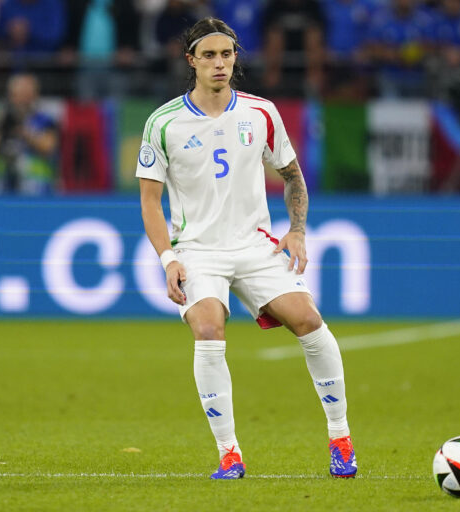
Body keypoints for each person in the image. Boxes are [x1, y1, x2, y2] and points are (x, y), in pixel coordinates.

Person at [136, 17, 356, 480]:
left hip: (255, 246)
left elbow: (292, 175)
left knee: (309, 321)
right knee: (209, 329)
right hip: (197, 250)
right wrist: (168, 258)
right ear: (190, 60)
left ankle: (341, 439)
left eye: (227, 54)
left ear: (236, 58)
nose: (219, 63)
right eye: (209, 55)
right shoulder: (163, 122)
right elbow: (150, 202)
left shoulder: (261, 112)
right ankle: (230, 454)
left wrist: (296, 230)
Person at [0, 73, 58, 194]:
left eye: (27, 95)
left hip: (35, 188)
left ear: (34, 96)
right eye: (18, 95)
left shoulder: (44, 119)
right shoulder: (2, 119)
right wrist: (0, 127)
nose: (22, 100)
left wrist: (25, 132)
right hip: (3, 187)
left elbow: (49, 147)